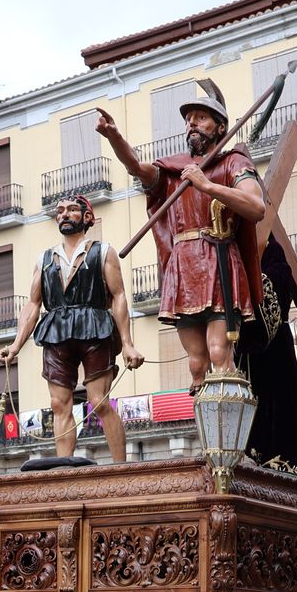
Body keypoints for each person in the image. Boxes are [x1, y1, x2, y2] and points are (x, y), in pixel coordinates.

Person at [96, 85, 265, 392]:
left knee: (219, 354)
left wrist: (207, 186)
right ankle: (209, 437)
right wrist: (114, 136)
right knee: (197, 364)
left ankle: (230, 437)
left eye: (201, 118)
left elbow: (256, 206)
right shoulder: (174, 170)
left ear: (220, 127)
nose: (192, 124)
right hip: (184, 267)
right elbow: (136, 166)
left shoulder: (233, 163)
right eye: (189, 120)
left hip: (220, 263)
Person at [0, 195, 145, 462]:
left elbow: (119, 296)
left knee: (99, 401)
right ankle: (65, 472)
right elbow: (33, 305)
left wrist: (127, 343)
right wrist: (16, 345)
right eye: (60, 211)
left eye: (72, 210)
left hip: (94, 328)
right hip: (56, 331)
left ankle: (121, 468)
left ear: (87, 217)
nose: (64, 214)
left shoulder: (103, 251)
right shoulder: (44, 258)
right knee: (58, 404)